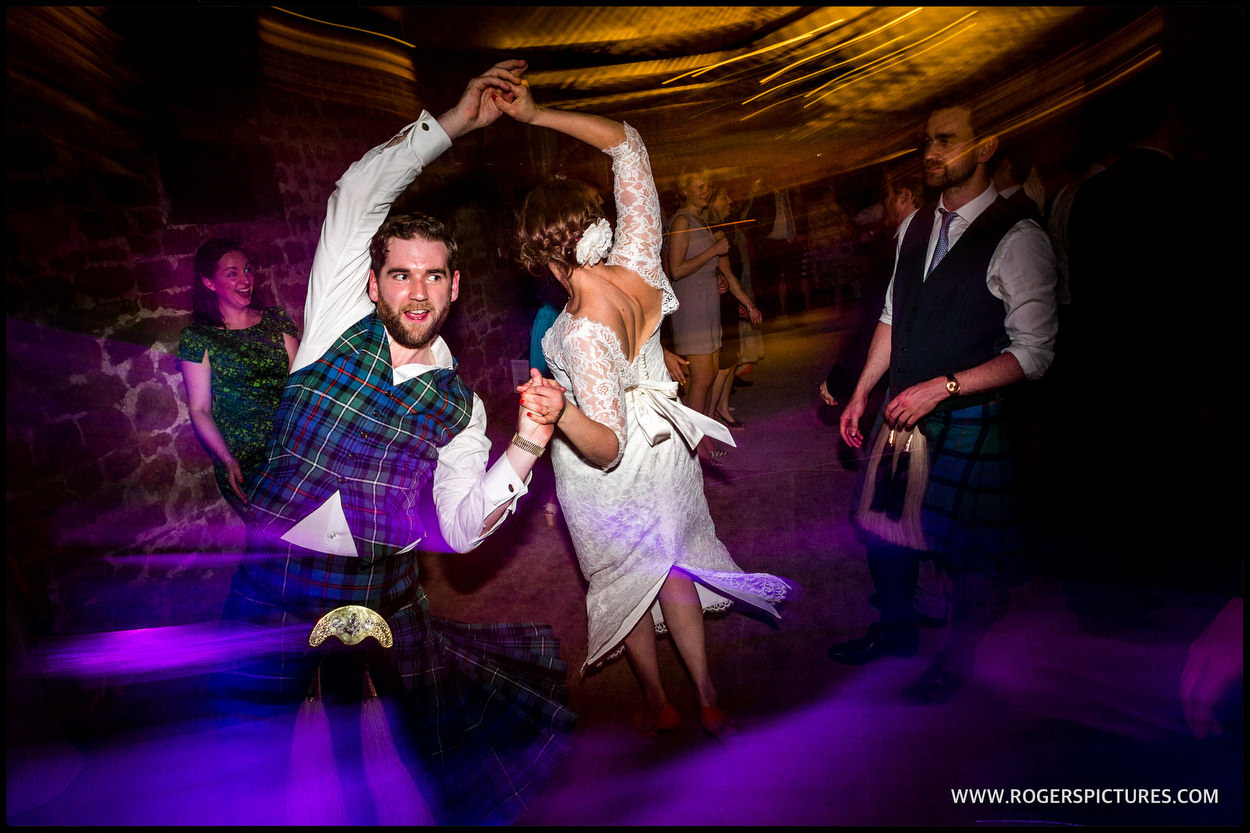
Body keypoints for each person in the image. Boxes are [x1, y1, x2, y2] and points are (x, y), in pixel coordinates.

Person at [216, 60, 574, 825]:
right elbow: (355, 196)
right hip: (275, 577)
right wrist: (451, 125)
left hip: (382, 590)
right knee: (247, 751)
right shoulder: (329, 327)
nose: (417, 291)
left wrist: (526, 449)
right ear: (373, 282)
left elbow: (459, 527)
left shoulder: (462, 407)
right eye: (401, 274)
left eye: (434, 276)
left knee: (422, 750)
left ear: (454, 285)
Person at [499, 77, 790, 740]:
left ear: (542, 250)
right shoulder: (637, 260)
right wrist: (541, 114)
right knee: (674, 567)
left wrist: (554, 410)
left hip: (613, 476)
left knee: (626, 582)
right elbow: (629, 146)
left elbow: (604, 444)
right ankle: (708, 694)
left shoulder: (579, 330)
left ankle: (658, 700)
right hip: (668, 453)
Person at [827, 102, 1058, 707]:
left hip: (967, 419)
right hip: (900, 411)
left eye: (947, 140)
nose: (932, 152)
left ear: (986, 147)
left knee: (965, 552)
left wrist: (944, 386)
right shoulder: (914, 225)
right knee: (881, 530)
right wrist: (861, 391)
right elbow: (891, 315)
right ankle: (898, 632)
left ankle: (959, 661)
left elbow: (1034, 353)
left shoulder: (1019, 236)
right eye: (927, 141)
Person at [178, 239, 300, 520]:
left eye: (247, 270)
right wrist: (227, 459)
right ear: (209, 283)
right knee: (271, 538)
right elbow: (200, 409)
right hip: (243, 461)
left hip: (291, 448)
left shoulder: (275, 319)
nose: (245, 280)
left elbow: (299, 383)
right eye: (232, 273)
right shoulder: (199, 338)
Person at [664, 168, 732, 461]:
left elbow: (698, 266)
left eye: (708, 186)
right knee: (701, 379)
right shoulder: (681, 221)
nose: (706, 191)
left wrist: (717, 277)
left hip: (707, 306)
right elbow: (676, 270)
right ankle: (692, 448)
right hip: (691, 311)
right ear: (685, 190)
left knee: (708, 374)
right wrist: (713, 251)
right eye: (700, 186)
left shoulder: (699, 221)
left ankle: (698, 440)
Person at [702, 185, 763, 429]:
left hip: (727, 297)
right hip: (720, 300)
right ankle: (711, 416)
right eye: (723, 196)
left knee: (731, 361)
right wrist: (748, 304)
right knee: (723, 364)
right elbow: (722, 270)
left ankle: (721, 408)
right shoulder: (712, 230)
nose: (729, 200)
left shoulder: (721, 228)